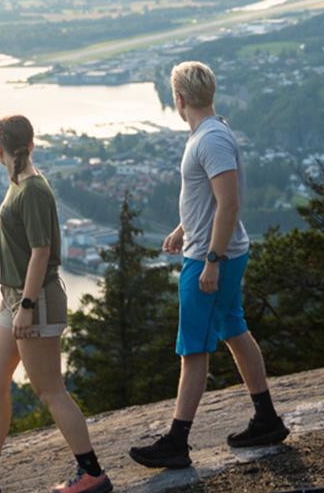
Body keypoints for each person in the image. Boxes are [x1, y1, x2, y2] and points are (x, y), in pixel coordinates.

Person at [129, 61, 289, 469]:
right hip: (213, 249)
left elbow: (230, 203)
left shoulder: (210, 139)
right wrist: (183, 227)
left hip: (210, 258)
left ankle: (177, 442)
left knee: (193, 348)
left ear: (178, 99)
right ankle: (267, 418)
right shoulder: (211, 132)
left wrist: (212, 261)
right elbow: (212, 198)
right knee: (234, 328)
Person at [0, 115, 112, 493]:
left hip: (34, 299)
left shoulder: (33, 189)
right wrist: (18, 302)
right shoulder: (17, 184)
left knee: (49, 389)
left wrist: (29, 305)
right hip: (13, 298)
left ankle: (92, 473)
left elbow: (41, 250)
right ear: (31, 144)